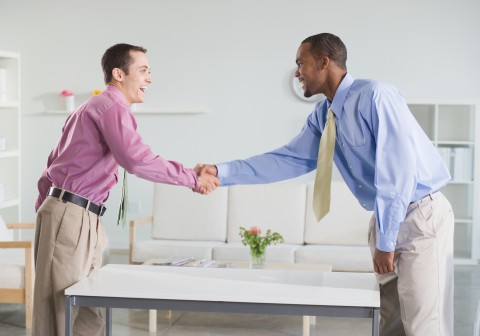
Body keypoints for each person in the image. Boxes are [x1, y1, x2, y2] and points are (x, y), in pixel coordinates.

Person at [196, 33, 454, 336]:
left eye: (300, 63)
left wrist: (386, 240)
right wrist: (220, 171)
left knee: (425, 326)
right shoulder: (323, 116)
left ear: (323, 62)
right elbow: (285, 160)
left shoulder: (376, 96)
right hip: (386, 218)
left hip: (419, 217)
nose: (296, 72)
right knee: (392, 324)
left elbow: (397, 172)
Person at [32, 43, 219, 336]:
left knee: (87, 310)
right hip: (71, 215)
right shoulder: (110, 107)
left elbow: (50, 165)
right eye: (143, 71)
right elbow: (136, 159)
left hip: (76, 215)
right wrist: (192, 180)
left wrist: (48, 212)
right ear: (119, 74)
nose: (150, 79)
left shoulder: (91, 107)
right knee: (61, 314)